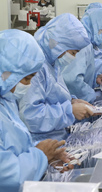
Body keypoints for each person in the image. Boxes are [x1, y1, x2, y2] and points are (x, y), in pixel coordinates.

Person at [0, 29, 73, 191]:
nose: (28, 85)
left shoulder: (7, 100)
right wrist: (40, 156)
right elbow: (7, 176)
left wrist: (49, 155)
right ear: (6, 74)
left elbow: (15, 145)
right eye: (27, 78)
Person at [19, 13, 98, 142]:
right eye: (72, 52)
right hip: (42, 144)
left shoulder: (52, 63)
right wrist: (69, 111)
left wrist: (72, 101)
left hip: (57, 138)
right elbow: (30, 116)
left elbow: (52, 95)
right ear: (58, 44)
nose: (73, 57)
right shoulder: (36, 68)